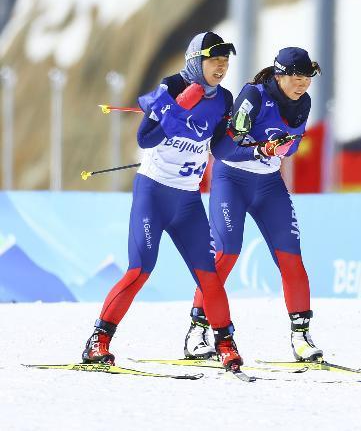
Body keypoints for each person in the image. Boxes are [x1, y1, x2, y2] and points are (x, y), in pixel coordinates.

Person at [82, 32, 244, 371]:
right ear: (196, 61)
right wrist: (175, 111)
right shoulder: (172, 85)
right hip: (153, 193)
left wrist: (245, 138)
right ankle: (98, 341)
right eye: (215, 60)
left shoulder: (224, 99)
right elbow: (146, 138)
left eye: (225, 62)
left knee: (208, 276)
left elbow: (220, 148)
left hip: (187, 200)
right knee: (140, 269)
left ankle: (225, 343)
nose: (221, 67)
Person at [183, 47, 324, 362]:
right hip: (232, 181)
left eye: (307, 78)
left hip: (269, 185)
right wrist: (261, 148)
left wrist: (281, 148)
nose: (302, 84)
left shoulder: (304, 102)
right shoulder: (254, 95)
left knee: (291, 258)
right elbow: (225, 149)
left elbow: (294, 145)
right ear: (280, 74)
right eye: (296, 77)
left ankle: (301, 337)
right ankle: (197, 329)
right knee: (226, 253)